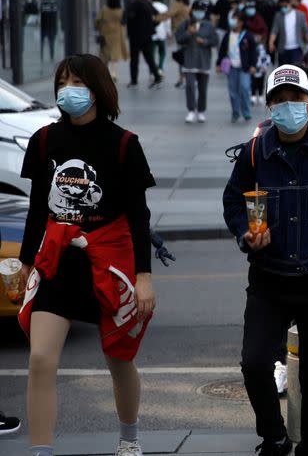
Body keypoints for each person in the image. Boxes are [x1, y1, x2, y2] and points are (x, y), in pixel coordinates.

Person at [222, 64, 308, 456]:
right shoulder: (255, 151)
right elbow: (234, 200)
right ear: (269, 107)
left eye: (295, 99)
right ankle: (274, 435)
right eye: (279, 101)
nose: (288, 107)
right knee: (253, 364)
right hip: (269, 278)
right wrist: (246, 235)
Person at [19, 54, 156, 456]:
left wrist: (144, 277)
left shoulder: (125, 144)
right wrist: (27, 263)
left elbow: (139, 216)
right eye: (62, 81)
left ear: (96, 89)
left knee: (119, 360)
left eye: (76, 81)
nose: (67, 89)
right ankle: (41, 450)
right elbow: (36, 209)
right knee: (40, 358)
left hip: (109, 263)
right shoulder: (44, 140)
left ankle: (129, 440)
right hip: (57, 262)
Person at [176, 1, 219, 123]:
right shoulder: (185, 24)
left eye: (201, 10)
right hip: (189, 61)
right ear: (192, 11)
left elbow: (215, 40)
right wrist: (188, 33)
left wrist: (204, 42)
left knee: (202, 88)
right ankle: (190, 110)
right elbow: (178, 39)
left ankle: (200, 111)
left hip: (204, 62)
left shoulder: (208, 25)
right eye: (196, 10)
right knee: (189, 86)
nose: (198, 13)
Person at [217, 11, 258, 123]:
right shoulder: (228, 34)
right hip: (232, 67)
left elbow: (253, 52)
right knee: (233, 91)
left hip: (244, 67)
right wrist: (218, 63)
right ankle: (235, 112)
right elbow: (222, 50)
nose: (233, 22)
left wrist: (253, 65)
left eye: (235, 19)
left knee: (245, 88)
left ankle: (246, 112)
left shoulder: (248, 35)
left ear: (241, 22)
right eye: (232, 19)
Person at [124, 0, 162, 88]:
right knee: (149, 57)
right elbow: (157, 15)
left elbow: (128, 17)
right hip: (147, 35)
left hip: (135, 35)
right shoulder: (147, 3)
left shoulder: (135, 3)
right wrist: (152, 25)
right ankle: (157, 77)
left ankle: (134, 80)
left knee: (134, 59)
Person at [154, 0, 191, 88]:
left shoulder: (178, 4)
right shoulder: (186, 4)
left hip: (181, 33)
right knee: (185, 55)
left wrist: (155, 18)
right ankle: (185, 78)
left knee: (181, 56)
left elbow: (168, 14)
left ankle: (182, 79)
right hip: (188, 32)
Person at [95, 0, 128, 82]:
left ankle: (103, 74)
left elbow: (97, 21)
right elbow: (124, 22)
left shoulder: (104, 10)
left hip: (105, 35)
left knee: (104, 55)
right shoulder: (120, 11)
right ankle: (113, 74)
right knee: (114, 56)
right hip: (116, 36)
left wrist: (98, 28)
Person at [269, 0, 308, 66]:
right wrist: (271, 42)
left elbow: (306, 30)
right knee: (284, 71)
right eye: (281, 7)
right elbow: (274, 30)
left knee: (296, 70)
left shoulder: (300, 15)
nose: (283, 8)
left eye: (285, 6)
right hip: (282, 49)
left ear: (290, 4)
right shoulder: (278, 16)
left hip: (297, 48)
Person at [149, 0, 170, 76]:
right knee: (162, 52)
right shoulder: (164, 7)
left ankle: (152, 70)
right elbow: (167, 21)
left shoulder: (149, 6)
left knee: (152, 52)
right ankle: (160, 68)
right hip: (162, 32)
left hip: (151, 33)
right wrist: (168, 31)